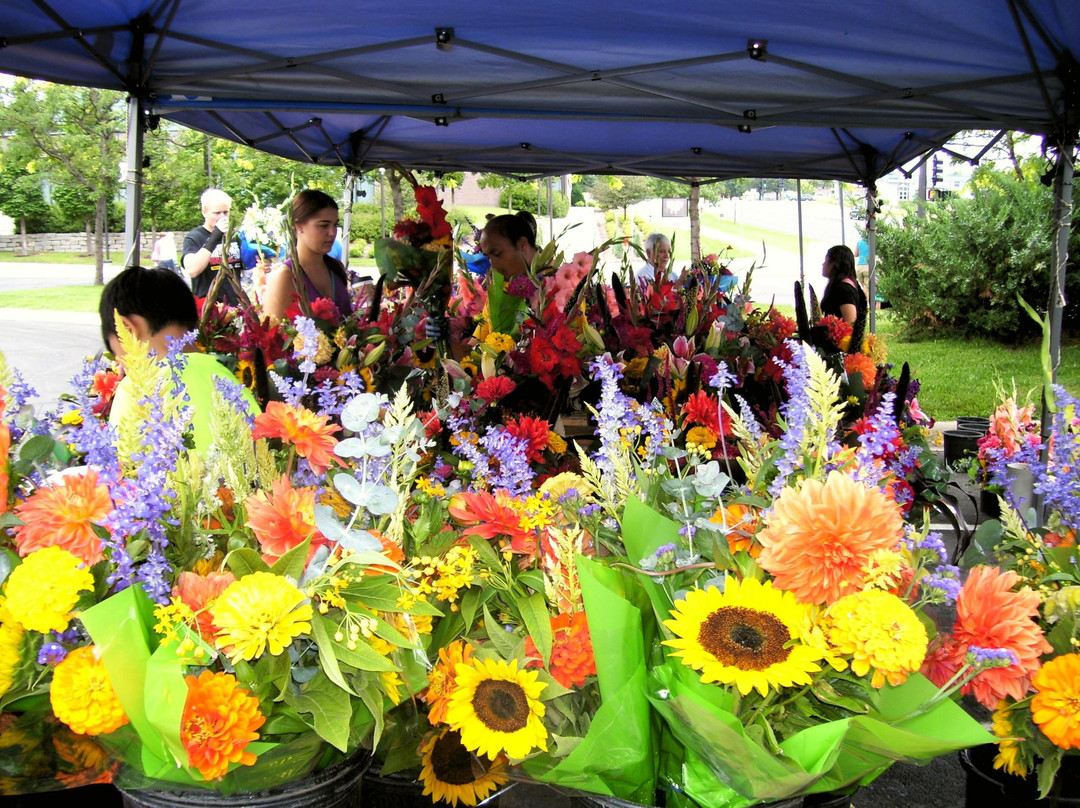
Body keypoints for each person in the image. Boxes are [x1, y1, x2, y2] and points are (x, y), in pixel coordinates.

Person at [99, 266, 259, 453]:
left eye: (116, 353)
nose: (121, 364)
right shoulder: (226, 378)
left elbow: (121, 470)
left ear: (127, 329)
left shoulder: (134, 389)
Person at [261, 189, 353, 320]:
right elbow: (270, 333)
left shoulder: (335, 267)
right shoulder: (286, 276)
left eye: (335, 225)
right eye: (324, 225)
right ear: (299, 226)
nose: (332, 233)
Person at [182, 188, 243, 306]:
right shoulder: (195, 237)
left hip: (234, 306)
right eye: (217, 213)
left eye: (226, 212)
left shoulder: (234, 236)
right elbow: (192, 270)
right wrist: (216, 235)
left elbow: (243, 267)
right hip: (209, 308)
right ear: (204, 212)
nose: (222, 217)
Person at [478, 211, 538, 279]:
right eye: (489, 258)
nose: (494, 266)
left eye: (497, 254)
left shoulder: (550, 279)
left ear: (522, 244)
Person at [820, 244, 867, 325]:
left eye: (826, 261)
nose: (823, 264)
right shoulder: (845, 286)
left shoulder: (844, 290)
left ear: (834, 264)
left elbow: (851, 325)